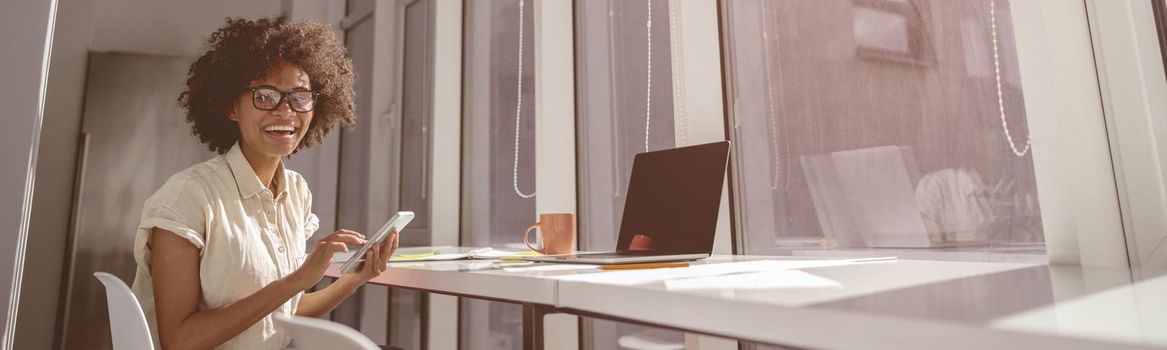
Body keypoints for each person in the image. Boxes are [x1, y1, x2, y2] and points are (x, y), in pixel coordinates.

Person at [130, 16, 396, 350]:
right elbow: (180, 341)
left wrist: (354, 280)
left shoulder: (296, 193)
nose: (286, 111)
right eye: (266, 96)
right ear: (231, 107)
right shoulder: (186, 198)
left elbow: (285, 312)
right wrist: (298, 279)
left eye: (300, 97)